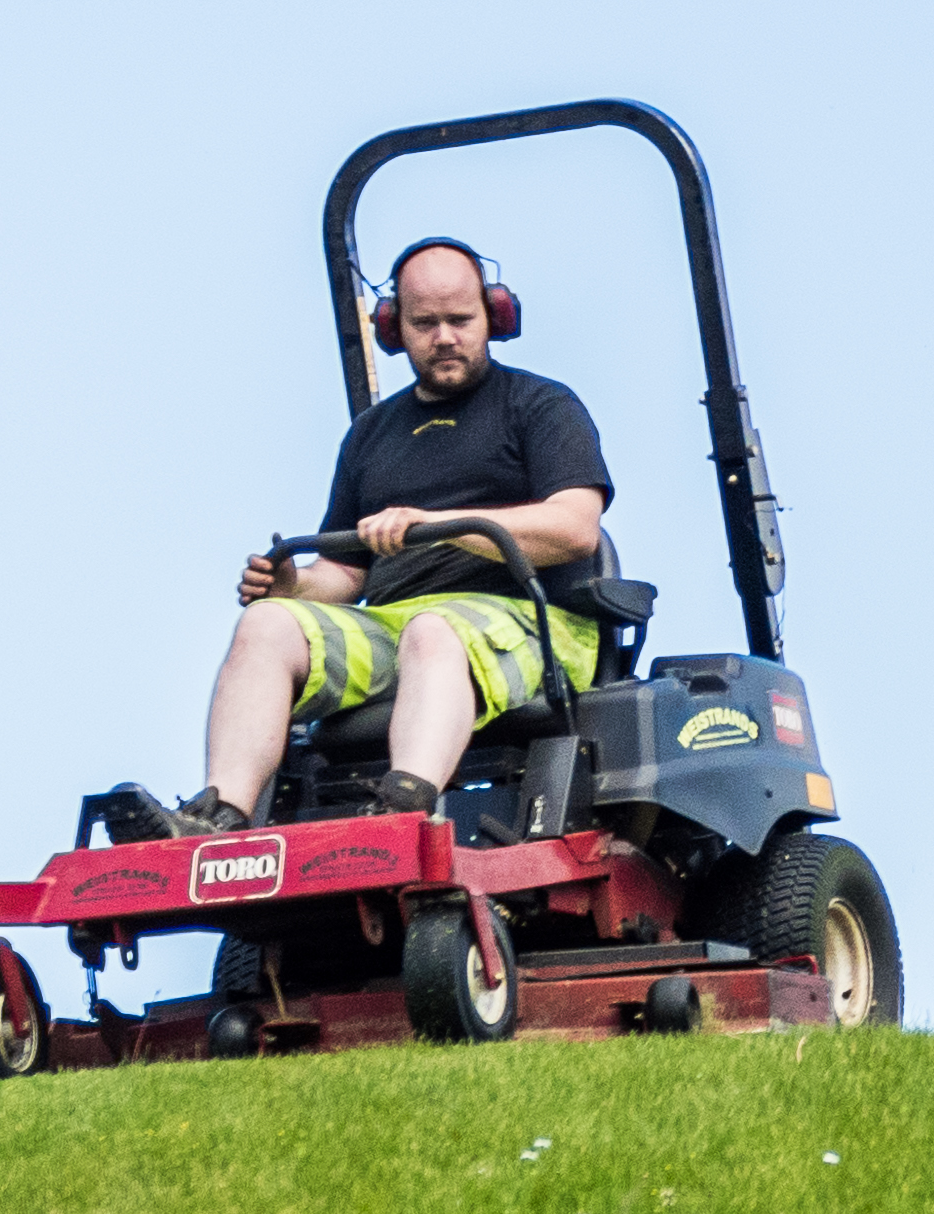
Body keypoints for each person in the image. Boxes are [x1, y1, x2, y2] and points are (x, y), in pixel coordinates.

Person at [151, 236, 614, 828]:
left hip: (529, 621)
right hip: (396, 626)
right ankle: (220, 814)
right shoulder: (371, 435)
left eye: (460, 319)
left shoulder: (541, 406)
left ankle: (401, 812)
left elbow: (575, 528)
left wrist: (440, 527)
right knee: (265, 625)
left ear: (494, 317)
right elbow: (346, 576)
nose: (444, 336)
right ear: (395, 329)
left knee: (432, 630)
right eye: (425, 323)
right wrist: (291, 586)